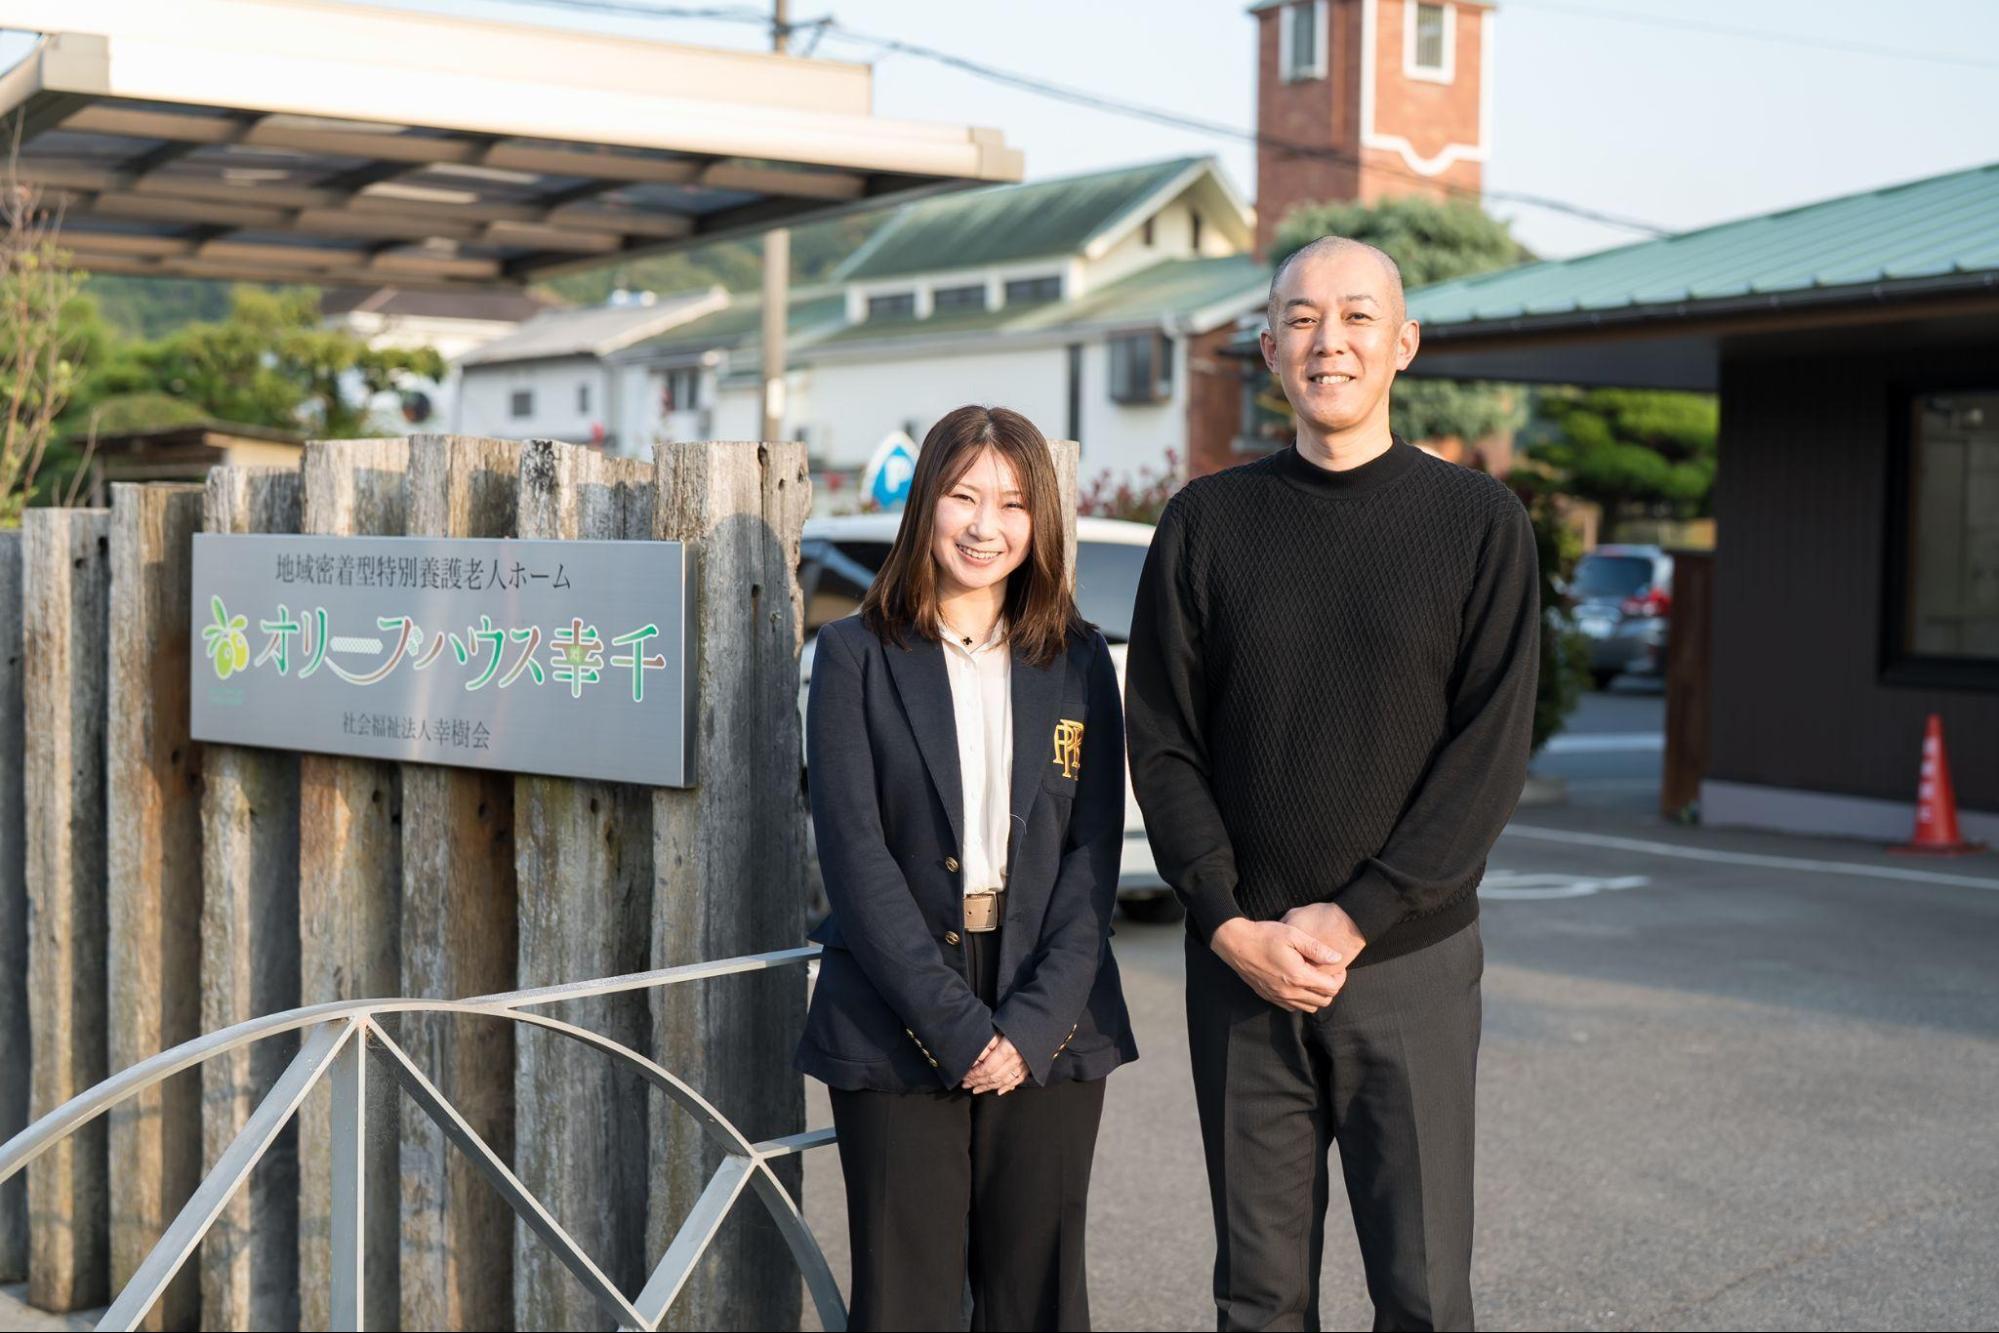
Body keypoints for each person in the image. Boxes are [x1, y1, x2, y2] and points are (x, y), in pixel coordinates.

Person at [1126, 237, 1539, 1332]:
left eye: (1358, 316)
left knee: (1420, 1289)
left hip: (1407, 961)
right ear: (1268, 348)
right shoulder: (1205, 524)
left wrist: (1357, 916)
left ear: (1402, 344)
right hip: (1241, 970)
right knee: (1257, 1296)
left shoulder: (1478, 524)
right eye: (1301, 318)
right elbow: (1163, 741)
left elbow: (1487, 752)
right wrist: (1224, 922)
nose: (1330, 339)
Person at [798, 404, 1137, 1332]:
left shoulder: (1075, 661)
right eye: (963, 496)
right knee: (903, 1300)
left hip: (1050, 1003)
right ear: (925, 506)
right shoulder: (855, 654)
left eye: (1014, 504)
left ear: (1040, 524)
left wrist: (1028, 1028)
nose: (986, 525)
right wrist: (955, 1029)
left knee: (1039, 1297)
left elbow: (1090, 854)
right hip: (896, 1003)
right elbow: (855, 855)